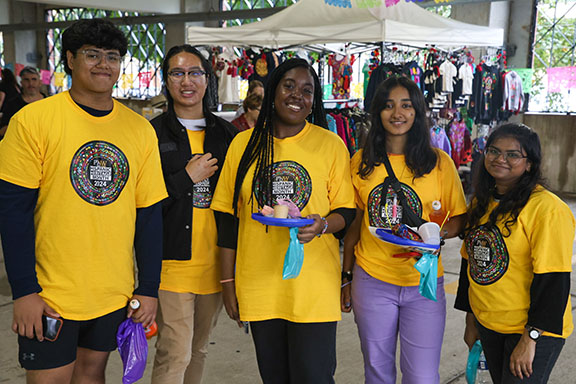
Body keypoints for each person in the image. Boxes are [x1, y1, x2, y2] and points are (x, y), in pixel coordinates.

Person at [0, 18, 167, 384]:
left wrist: (148, 288)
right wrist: (25, 291)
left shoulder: (139, 130)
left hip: (112, 291)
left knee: (93, 375)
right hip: (51, 293)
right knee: (49, 379)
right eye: (92, 55)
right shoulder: (33, 121)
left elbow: (150, 216)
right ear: (70, 59)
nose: (103, 64)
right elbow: (13, 213)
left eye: (112, 56)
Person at [211, 58, 356, 384]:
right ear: (273, 90)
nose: (297, 95)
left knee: (314, 377)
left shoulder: (330, 145)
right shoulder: (243, 145)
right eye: (289, 85)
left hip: (314, 286)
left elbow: (346, 212)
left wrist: (322, 225)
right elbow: (228, 221)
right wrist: (227, 284)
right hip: (260, 285)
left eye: (307, 90)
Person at [342, 76, 467, 384]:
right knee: (377, 371)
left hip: (423, 281)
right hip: (371, 279)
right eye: (388, 106)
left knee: (422, 376)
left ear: (418, 111)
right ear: (377, 113)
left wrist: (436, 235)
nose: (397, 114)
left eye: (406, 105)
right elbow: (356, 223)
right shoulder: (361, 162)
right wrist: (345, 277)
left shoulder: (439, 162)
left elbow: (459, 219)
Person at [455, 123, 574, 384]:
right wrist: (471, 319)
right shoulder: (481, 202)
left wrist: (530, 339)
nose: (500, 159)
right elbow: (471, 263)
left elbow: (553, 280)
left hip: (532, 331)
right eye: (494, 151)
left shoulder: (547, 209)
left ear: (529, 163)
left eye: (512, 154)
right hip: (490, 323)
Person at [149, 44, 237, 384]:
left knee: (198, 351)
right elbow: (144, 204)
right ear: (167, 81)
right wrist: (186, 178)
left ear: (207, 79)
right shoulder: (152, 134)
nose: (187, 81)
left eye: (195, 72)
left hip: (215, 265)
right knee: (175, 354)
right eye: (177, 72)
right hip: (172, 265)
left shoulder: (226, 135)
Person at [0, 67, 46, 136]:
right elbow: (2, 130)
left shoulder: (49, 103)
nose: (30, 83)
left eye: (34, 79)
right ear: (21, 83)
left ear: (40, 82)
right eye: (26, 80)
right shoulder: (12, 104)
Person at [0, 68, 23, 136]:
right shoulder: (16, 85)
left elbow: (1, 99)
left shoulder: (3, 85)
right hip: (17, 109)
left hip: (7, 109)